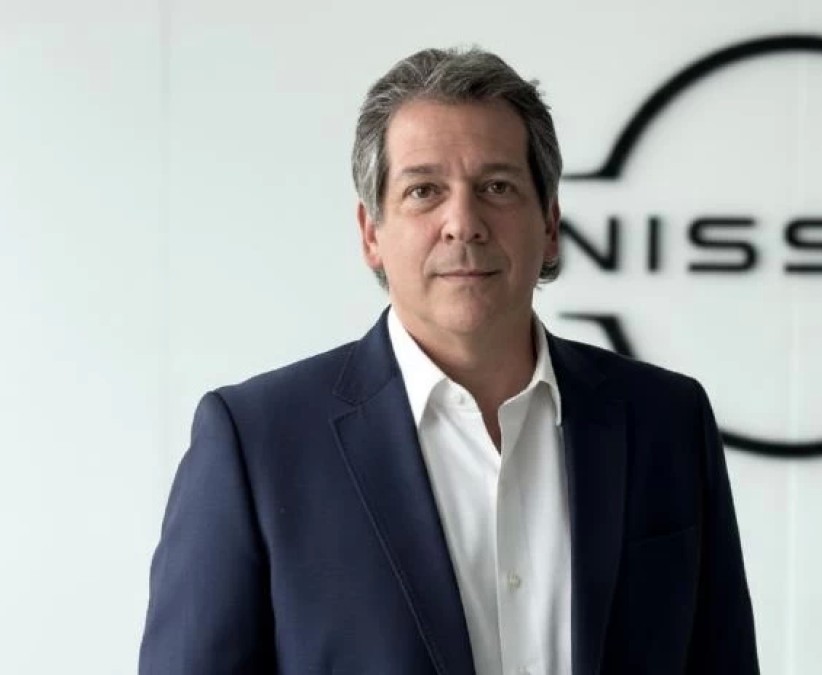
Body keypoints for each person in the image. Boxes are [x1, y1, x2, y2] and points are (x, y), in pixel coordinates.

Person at [139, 46, 758, 674]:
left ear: (550, 224)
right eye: (424, 191)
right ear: (371, 233)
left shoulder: (666, 421)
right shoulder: (257, 443)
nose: (463, 222)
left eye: (497, 187)